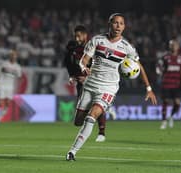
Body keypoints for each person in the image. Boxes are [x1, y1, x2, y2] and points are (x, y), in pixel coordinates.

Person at [65, 13, 157, 161]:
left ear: (124, 27)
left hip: (108, 88)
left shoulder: (127, 48)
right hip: (90, 85)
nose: (118, 26)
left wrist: (149, 88)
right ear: (110, 24)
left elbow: (139, 67)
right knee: (77, 122)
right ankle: (99, 107)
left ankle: (72, 152)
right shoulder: (97, 40)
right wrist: (83, 67)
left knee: (92, 116)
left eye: (121, 23)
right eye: (115, 23)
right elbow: (84, 59)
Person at [64, 25, 116, 142]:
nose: (77, 39)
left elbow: (101, 65)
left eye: (79, 36)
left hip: (96, 81)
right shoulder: (73, 48)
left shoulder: (95, 46)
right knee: (80, 117)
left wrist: (88, 77)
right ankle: (107, 109)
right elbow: (69, 63)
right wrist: (72, 75)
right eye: (75, 36)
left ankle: (101, 133)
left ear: (85, 35)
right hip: (81, 83)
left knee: (97, 105)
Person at [156, 39, 181, 130]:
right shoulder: (165, 57)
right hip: (166, 83)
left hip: (177, 83)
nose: (174, 46)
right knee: (165, 101)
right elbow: (158, 67)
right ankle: (164, 121)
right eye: (172, 45)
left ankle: (171, 116)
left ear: (178, 47)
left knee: (177, 103)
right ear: (170, 47)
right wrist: (159, 72)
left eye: (175, 45)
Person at [0, 49, 22, 123]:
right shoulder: (5, 64)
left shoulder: (18, 67)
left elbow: (19, 77)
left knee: (8, 104)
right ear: (10, 56)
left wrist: (18, 88)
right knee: (1, 103)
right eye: (12, 55)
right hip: (2, 85)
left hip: (10, 87)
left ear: (16, 57)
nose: (13, 57)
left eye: (15, 55)